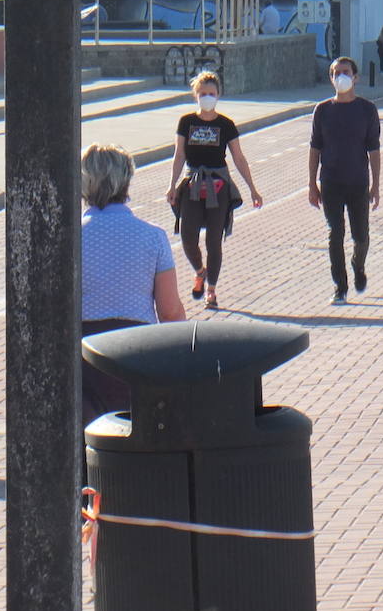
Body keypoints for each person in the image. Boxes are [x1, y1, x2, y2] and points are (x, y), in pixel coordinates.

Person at [81, 144, 185, 424]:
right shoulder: (153, 237)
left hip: (85, 353)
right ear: (127, 179)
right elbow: (169, 311)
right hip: (136, 349)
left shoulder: (71, 238)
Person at [166, 73, 263, 310]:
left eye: (211, 93)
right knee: (188, 237)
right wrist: (172, 185)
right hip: (192, 183)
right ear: (195, 96)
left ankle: (211, 289)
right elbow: (179, 155)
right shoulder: (186, 122)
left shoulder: (226, 125)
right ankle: (200, 271)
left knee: (213, 241)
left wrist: (252, 188)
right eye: (203, 94)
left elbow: (238, 157)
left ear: (218, 95)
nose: (207, 97)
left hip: (218, 186)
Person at [308, 57, 382, 304]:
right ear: (331, 79)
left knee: (361, 235)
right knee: (335, 233)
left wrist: (376, 185)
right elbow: (315, 149)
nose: (340, 76)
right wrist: (312, 184)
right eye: (335, 73)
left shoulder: (367, 109)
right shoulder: (322, 110)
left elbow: (373, 149)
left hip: (358, 182)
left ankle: (358, 265)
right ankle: (340, 286)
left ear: (355, 77)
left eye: (345, 72)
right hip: (330, 181)